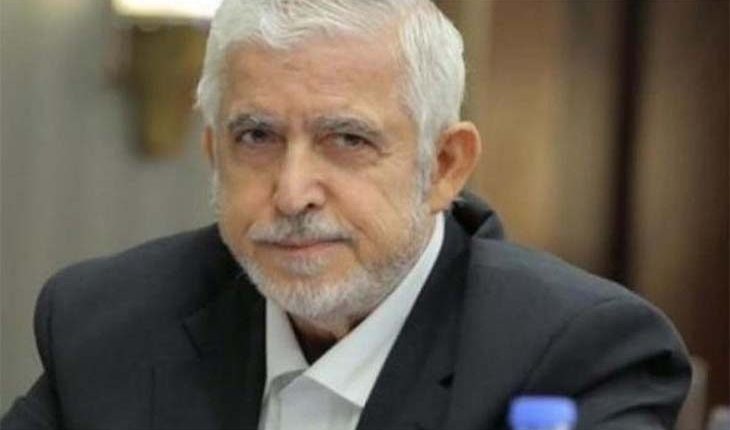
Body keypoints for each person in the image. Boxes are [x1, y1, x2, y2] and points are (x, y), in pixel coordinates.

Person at [2, 1, 691, 429]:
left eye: (348, 140)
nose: (292, 193)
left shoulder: (577, 355)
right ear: (214, 154)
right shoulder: (109, 322)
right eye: (257, 137)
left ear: (444, 166)